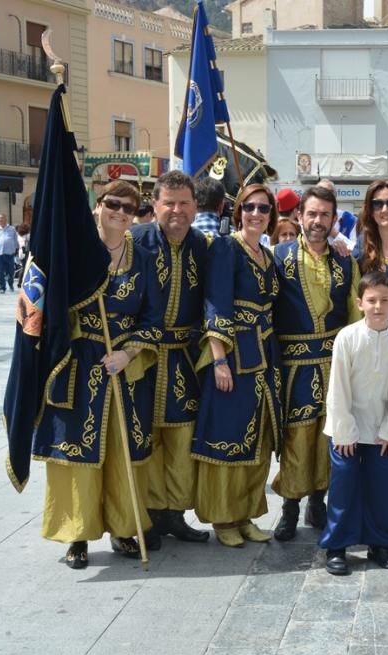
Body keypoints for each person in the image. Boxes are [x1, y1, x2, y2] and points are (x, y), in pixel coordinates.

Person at [33, 180, 163, 568]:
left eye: (128, 207)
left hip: (123, 368)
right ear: (98, 205)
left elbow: (153, 319)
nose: (119, 212)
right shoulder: (75, 253)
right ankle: (77, 535)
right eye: (112, 203)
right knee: (77, 453)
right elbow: (52, 307)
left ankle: (125, 528)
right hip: (78, 364)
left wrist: (127, 353)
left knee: (123, 452)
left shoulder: (142, 259)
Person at [191, 184, 283, 547]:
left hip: (265, 356)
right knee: (227, 435)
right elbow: (216, 304)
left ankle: (245, 514)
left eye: (263, 208)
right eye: (250, 207)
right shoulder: (226, 248)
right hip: (234, 354)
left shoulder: (267, 254)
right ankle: (224, 518)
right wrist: (219, 360)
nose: (256, 214)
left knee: (257, 438)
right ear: (238, 211)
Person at [271, 185, 362, 541]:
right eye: (312, 214)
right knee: (297, 437)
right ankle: (290, 506)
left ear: (334, 219)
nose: (318, 221)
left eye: (325, 214)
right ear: (299, 216)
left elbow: (355, 314)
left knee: (331, 435)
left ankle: (318, 501)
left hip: (334, 362)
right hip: (294, 365)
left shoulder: (345, 260)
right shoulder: (279, 256)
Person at [132, 170, 213, 544]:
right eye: (169, 203)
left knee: (181, 442)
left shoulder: (205, 245)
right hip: (141, 358)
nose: (177, 210)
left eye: (184, 203)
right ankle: (143, 518)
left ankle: (174, 514)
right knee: (142, 441)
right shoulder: (135, 242)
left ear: (196, 206)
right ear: (155, 205)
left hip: (183, 358)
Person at [320, 271, 388, 575]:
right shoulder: (347, 337)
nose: (377, 306)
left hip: (383, 429)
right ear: (359, 303)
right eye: (371, 300)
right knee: (343, 484)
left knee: (382, 486)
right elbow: (339, 387)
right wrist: (344, 432)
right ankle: (337, 545)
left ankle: (381, 543)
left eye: (384, 300)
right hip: (347, 427)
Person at [0, 213, 18, 294]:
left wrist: (14, 249)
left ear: (6, 219)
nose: (0, 220)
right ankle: (2, 287)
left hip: (10, 253)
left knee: (11, 270)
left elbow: (15, 239)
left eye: (2, 218)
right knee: (0, 271)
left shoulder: (12, 228)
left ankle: (10, 284)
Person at [16, 223, 30, 288]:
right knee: (26, 268)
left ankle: (20, 282)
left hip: (21, 253)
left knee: (23, 267)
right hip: (26, 253)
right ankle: (22, 281)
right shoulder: (28, 235)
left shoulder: (19, 236)